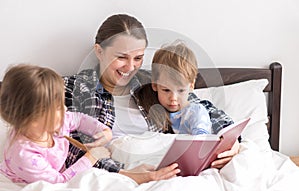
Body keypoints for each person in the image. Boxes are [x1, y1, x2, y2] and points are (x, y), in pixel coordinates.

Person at [63, 13, 239, 173]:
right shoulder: (74, 88)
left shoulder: (153, 82)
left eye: (138, 58)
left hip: (164, 169)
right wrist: (124, 173)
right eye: (122, 57)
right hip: (118, 173)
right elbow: (71, 148)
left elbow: (201, 108)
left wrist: (231, 142)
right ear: (99, 51)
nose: (130, 67)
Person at [0, 64, 179, 184]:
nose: (64, 109)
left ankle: (130, 175)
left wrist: (102, 130)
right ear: (32, 117)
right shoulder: (25, 155)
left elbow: (78, 118)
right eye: (56, 107)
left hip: (59, 169)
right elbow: (59, 181)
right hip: (33, 182)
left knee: (84, 157)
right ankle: (132, 177)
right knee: (89, 170)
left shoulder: (53, 124)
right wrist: (91, 157)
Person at [143, 41, 212, 135]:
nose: (173, 98)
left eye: (181, 90)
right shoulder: (154, 111)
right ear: (155, 85)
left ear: (191, 86)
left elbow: (202, 138)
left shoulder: (195, 112)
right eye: (166, 90)